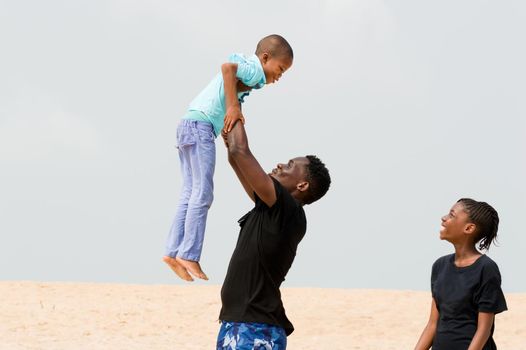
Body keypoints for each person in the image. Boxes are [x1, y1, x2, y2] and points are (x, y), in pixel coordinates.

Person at [163, 35, 294, 281]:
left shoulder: (251, 75)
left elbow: (232, 90)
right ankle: (189, 254)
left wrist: (232, 119)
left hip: (189, 123)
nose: (279, 77)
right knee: (203, 193)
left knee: (190, 191)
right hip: (201, 127)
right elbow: (228, 69)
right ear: (265, 58)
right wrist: (232, 108)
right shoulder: (255, 70)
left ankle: (172, 251)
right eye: (280, 69)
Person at [216, 120, 331, 349]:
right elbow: (234, 154)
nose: (280, 165)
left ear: (302, 185)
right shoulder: (271, 208)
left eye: (289, 165)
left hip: (255, 328)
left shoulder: (289, 211)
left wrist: (234, 106)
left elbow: (241, 151)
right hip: (239, 323)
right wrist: (232, 110)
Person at [414, 198, 507, 350]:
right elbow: (432, 324)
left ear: (469, 228)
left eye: (452, 215)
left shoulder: (486, 268)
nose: (444, 218)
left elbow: (484, 330)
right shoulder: (440, 266)